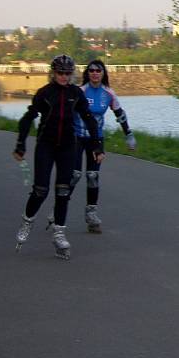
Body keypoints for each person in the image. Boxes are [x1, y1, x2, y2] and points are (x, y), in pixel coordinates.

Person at [12, 54, 104, 260]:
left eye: (67, 73)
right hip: (46, 145)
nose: (64, 77)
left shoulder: (75, 93)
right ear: (53, 73)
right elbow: (28, 118)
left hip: (67, 147)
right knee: (41, 190)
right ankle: (27, 221)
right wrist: (20, 143)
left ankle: (59, 233)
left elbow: (89, 118)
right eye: (60, 73)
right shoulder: (45, 93)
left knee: (63, 191)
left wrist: (97, 146)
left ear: (72, 74)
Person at [72, 59, 136, 233]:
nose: (94, 73)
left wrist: (128, 134)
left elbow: (119, 113)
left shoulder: (108, 93)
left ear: (103, 73)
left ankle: (91, 214)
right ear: (87, 73)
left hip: (96, 139)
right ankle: (59, 208)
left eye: (98, 70)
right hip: (77, 137)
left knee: (92, 176)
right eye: (91, 70)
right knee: (74, 175)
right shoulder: (80, 91)